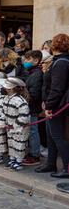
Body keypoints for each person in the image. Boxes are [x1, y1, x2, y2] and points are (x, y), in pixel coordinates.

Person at [38, 34, 69, 178]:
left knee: (58, 137)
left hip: (57, 105)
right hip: (54, 103)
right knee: (51, 136)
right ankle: (51, 163)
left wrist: (49, 106)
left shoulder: (61, 62)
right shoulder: (58, 61)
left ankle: (67, 168)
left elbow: (57, 88)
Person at [0, 78, 30, 171]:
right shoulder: (6, 98)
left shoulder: (19, 100)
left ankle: (19, 160)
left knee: (19, 144)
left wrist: (15, 125)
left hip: (20, 128)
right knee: (11, 143)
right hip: (9, 127)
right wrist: (2, 122)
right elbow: (3, 112)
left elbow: (24, 116)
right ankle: (12, 159)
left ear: (11, 88)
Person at [23, 51, 44, 166]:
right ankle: (32, 152)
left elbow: (34, 94)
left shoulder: (37, 74)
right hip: (29, 106)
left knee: (33, 131)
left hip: (32, 107)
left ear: (36, 60)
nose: (25, 61)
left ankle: (35, 155)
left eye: (28, 59)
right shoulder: (31, 73)